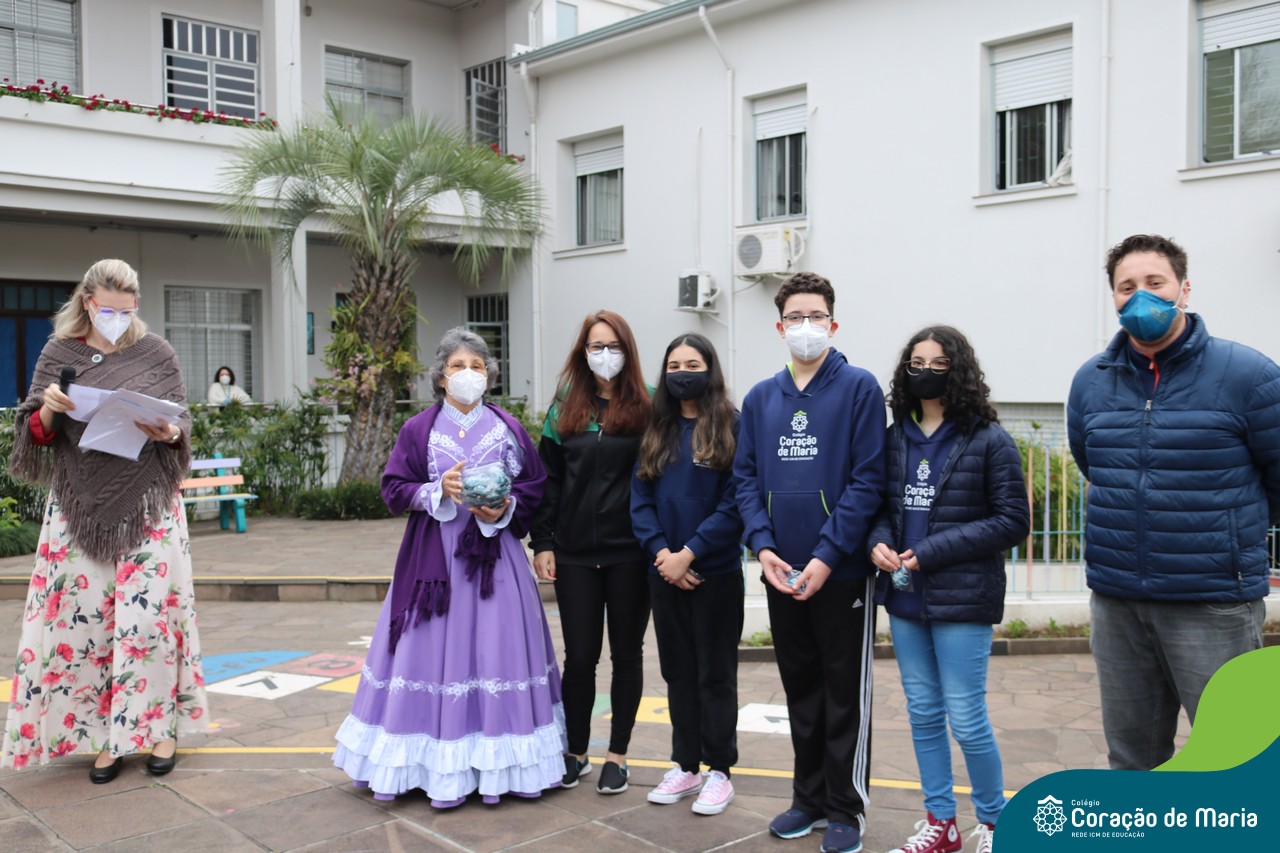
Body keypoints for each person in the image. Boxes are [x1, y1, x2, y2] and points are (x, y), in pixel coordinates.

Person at [1067, 233, 1280, 771]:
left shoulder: (1248, 375)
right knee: (1132, 760)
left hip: (1211, 601)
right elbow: (1095, 466)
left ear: (1184, 289)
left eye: (1154, 282)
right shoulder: (1091, 382)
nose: (1141, 296)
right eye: (1127, 287)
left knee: (1233, 759)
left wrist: (1225, 540)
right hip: (1118, 600)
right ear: (1114, 297)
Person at [333, 327, 564, 806]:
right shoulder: (418, 429)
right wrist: (437, 490)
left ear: (489, 376)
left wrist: (504, 508)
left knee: (497, 651)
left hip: (496, 560)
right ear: (440, 376)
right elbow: (393, 487)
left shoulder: (508, 427)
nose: (468, 374)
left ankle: (501, 765)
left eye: (477, 367)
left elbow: (535, 486)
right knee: (428, 654)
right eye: (458, 366)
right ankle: (430, 764)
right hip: (432, 564)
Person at [2, 258, 209, 782]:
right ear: (87, 302)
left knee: (149, 622)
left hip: (149, 506)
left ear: (135, 305)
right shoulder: (59, 353)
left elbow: (180, 427)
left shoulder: (157, 352)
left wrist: (168, 434)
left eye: (126, 310)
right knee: (85, 621)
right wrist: (51, 406)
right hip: (78, 505)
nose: (117, 318)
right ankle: (104, 738)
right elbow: (36, 434)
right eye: (107, 309)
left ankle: (159, 730)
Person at [734, 272, 886, 853]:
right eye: (795, 317)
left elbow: (868, 481)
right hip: (781, 571)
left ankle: (846, 807)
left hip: (840, 572)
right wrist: (763, 547)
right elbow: (746, 480)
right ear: (780, 327)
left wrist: (826, 555)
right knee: (800, 689)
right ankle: (809, 799)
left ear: (833, 323)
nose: (805, 326)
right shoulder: (760, 398)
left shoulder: (859, 389)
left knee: (843, 692)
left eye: (815, 316)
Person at [868, 326, 1029, 853]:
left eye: (939, 363)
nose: (926, 372)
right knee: (922, 713)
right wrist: (877, 542)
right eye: (917, 362)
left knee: (966, 717)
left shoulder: (989, 439)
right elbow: (881, 508)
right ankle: (941, 823)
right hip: (905, 597)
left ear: (958, 371)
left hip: (963, 599)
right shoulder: (894, 437)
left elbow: (1012, 521)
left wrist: (932, 550)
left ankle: (996, 823)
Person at [531, 310, 652, 795]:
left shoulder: (648, 406)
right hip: (575, 554)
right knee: (580, 657)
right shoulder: (564, 407)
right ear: (583, 352)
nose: (605, 355)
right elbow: (548, 481)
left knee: (627, 655)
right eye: (595, 346)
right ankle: (576, 751)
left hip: (631, 554)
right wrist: (543, 541)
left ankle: (617, 755)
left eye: (613, 345)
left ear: (628, 350)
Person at [631, 333, 744, 816]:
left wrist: (691, 552)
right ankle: (686, 766)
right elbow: (640, 500)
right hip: (664, 573)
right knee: (677, 672)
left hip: (714, 573)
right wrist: (663, 554)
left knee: (715, 674)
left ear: (710, 369)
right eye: (674, 365)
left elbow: (737, 501)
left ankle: (719, 770)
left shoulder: (732, 425)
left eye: (692, 365)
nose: (682, 373)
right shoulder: (656, 428)